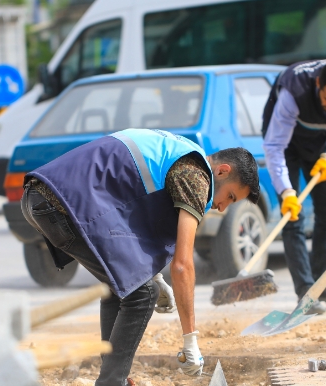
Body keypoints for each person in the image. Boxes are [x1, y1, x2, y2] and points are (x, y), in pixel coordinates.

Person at [21, 128, 260, 385]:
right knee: (142, 294)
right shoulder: (197, 176)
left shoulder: (180, 153)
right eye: (230, 196)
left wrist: (153, 275)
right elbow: (182, 265)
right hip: (60, 205)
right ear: (222, 171)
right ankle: (112, 381)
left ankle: (113, 377)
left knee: (123, 286)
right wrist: (190, 339)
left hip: (42, 198)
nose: (222, 207)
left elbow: (126, 220)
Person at [261, 59, 326, 315]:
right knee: (293, 217)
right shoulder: (293, 92)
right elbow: (274, 148)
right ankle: (306, 291)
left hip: (322, 145)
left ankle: (323, 282)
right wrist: (286, 192)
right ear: (319, 84)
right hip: (287, 146)